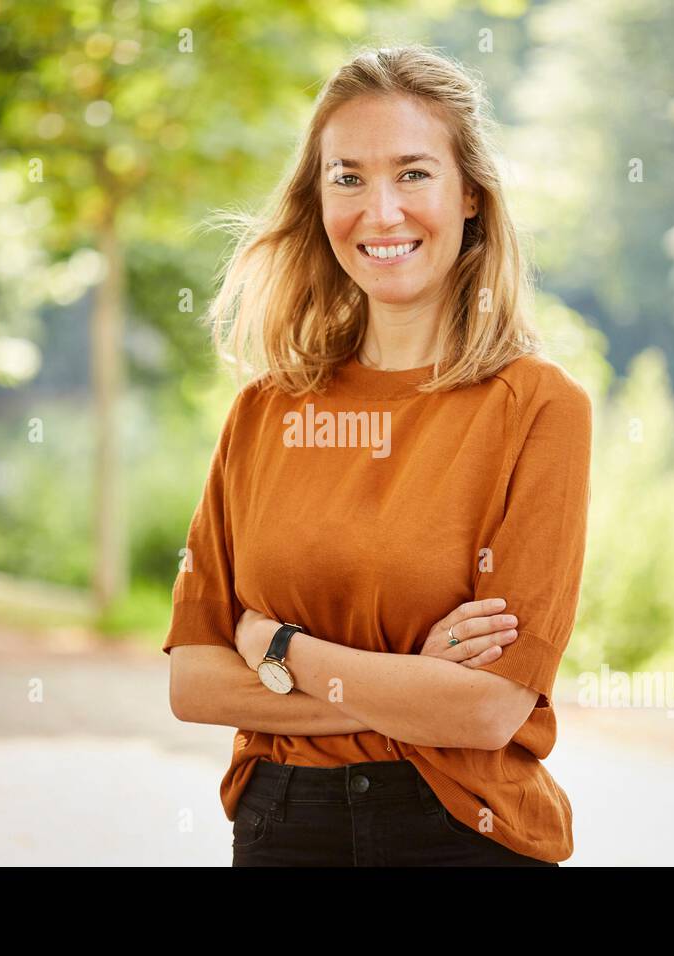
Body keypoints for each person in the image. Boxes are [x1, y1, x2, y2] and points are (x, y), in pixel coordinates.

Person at [163, 44, 592, 867]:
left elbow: (484, 714)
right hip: (280, 828)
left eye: (414, 174)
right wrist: (407, 686)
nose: (381, 211)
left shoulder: (540, 408)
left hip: (461, 832)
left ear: (470, 195)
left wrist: (286, 653)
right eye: (348, 177)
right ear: (318, 198)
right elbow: (195, 684)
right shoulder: (264, 410)